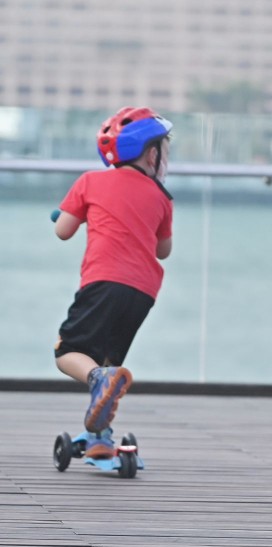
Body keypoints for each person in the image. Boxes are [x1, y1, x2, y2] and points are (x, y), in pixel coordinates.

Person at [52, 107, 174, 459]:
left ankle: (97, 382)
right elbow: (163, 250)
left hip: (102, 282)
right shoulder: (162, 196)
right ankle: (101, 439)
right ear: (152, 154)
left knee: (67, 352)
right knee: (108, 360)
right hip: (143, 291)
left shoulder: (91, 181)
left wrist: (71, 213)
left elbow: (63, 230)